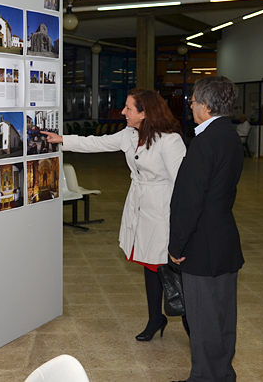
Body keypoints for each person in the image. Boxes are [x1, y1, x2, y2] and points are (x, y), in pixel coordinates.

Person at [43, 89, 186, 341]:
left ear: (144, 113)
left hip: (163, 209)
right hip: (140, 204)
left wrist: (182, 225)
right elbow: (96, 143)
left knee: (167, 267)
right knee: (149, 263)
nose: (123, 112)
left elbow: (183, 185)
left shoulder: (170, 140)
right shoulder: (129, 135)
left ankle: (192, 326)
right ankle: (155, 319)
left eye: (129, 108)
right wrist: (62, 139)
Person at [168, 77, 244, 382]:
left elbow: (189, 202)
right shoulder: (230, 136)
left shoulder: (203, 142)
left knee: (203, 323)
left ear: (207, 106)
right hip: (225, 239)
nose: (191, 104)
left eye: (194, 99)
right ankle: (223, 374)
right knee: (223, 319)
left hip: (202, 245)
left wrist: (177, 246)